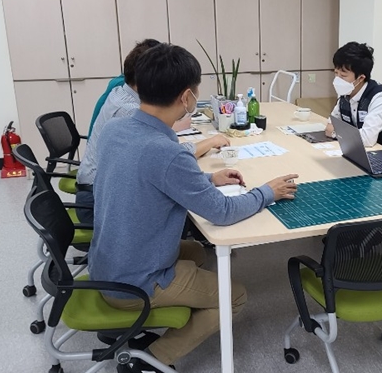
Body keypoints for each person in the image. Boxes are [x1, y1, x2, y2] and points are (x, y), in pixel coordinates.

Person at [89, 43, 298, 371]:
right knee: (235, 296)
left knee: (198, 252)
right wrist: (267, 192)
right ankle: (152, 360)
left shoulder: (117, 129)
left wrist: (209, 178)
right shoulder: (167, 151)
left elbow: (150, 177)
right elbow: (222, 212)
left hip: (106, 264)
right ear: (186, 97)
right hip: (134, 283)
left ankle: (177, 309)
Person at [75, 39, 229, 224]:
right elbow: (165, 157)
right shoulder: (128, 112)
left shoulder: (120, 94)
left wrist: (209, 177)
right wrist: (209, 143)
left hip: (105, 195)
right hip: (96, 202)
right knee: (188, 211)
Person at [324, 41, 382, 156]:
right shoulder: (346, 93)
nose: (337, 79)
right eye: (336, 73)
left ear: (360, 78)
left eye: (343, 75)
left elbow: (367, 139)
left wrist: (335, 133)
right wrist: (338, 131)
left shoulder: (379, 97)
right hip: (360, 153)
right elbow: (331, 123)